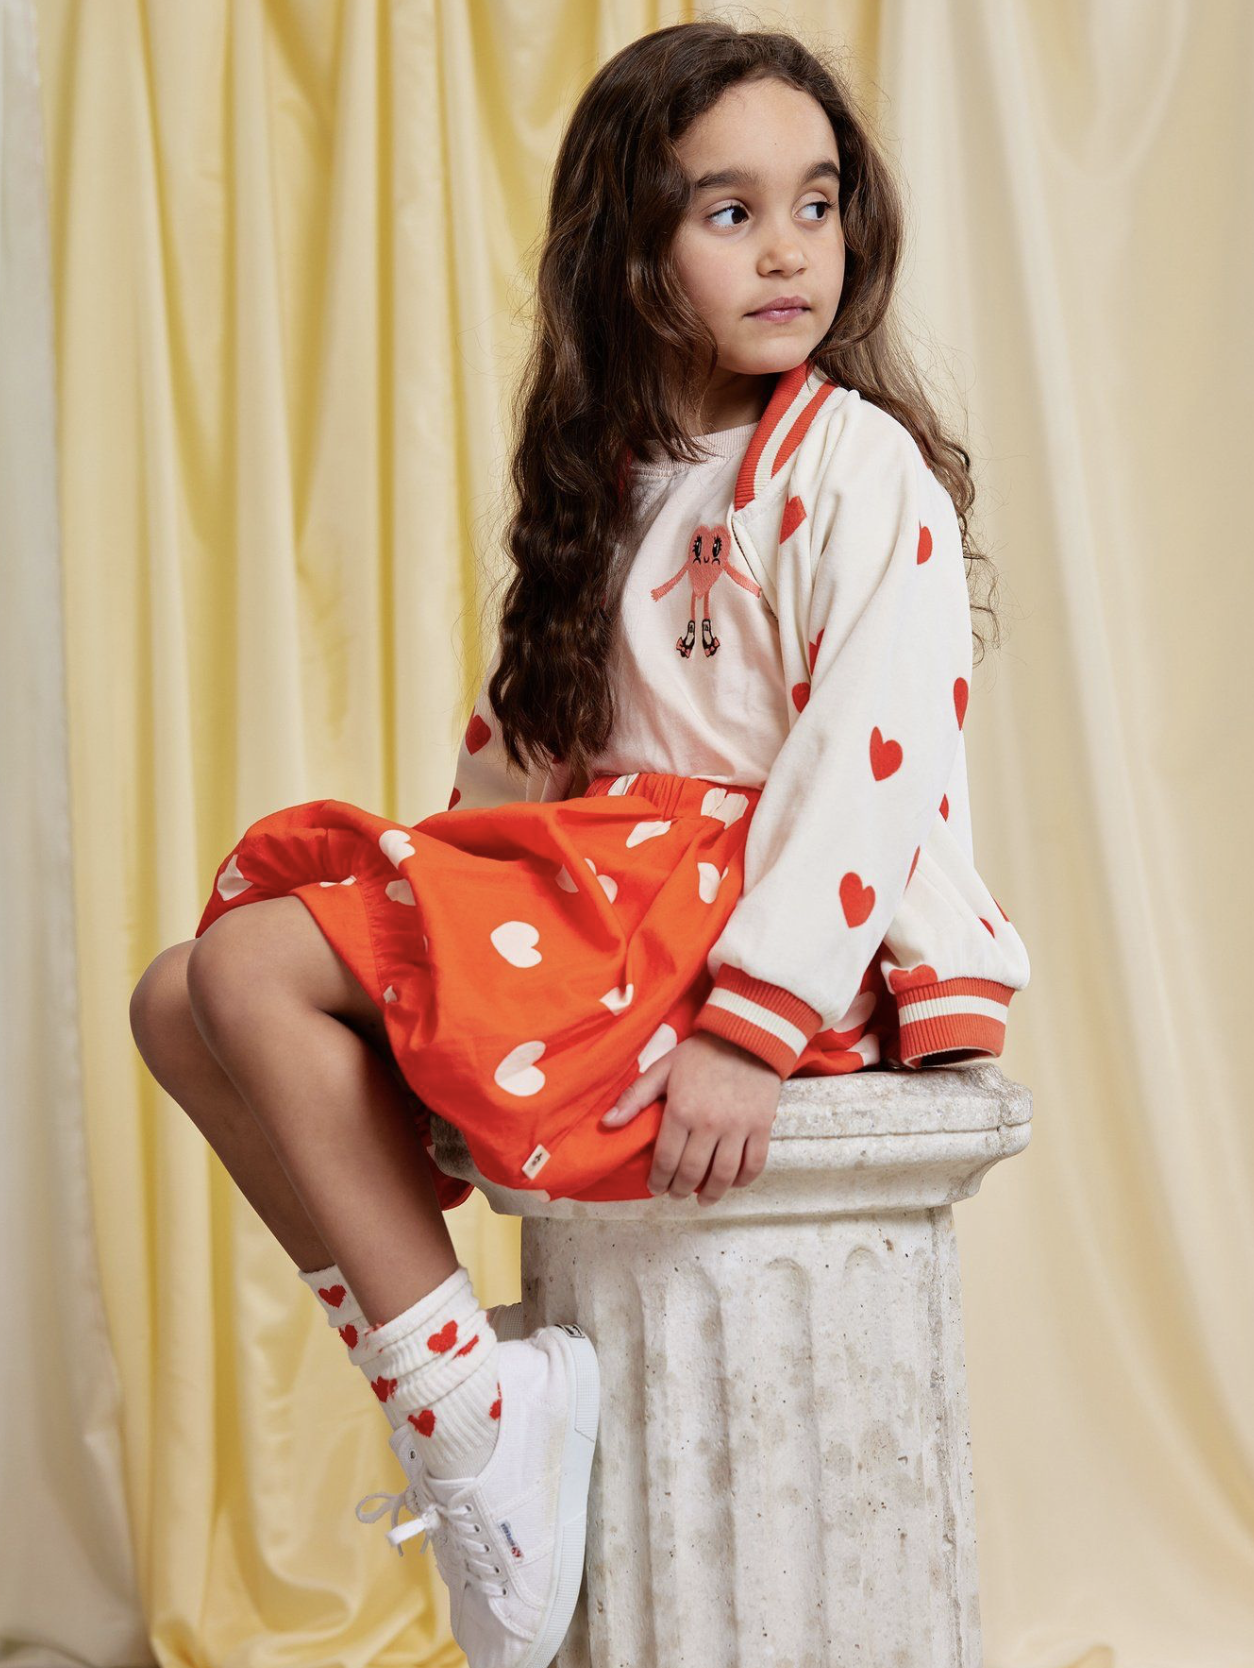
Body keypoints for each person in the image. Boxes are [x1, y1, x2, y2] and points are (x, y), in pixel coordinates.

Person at [129, 20, 1030, 1668]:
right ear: (630, 259)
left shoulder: (852, 463)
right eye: (728, 212)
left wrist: (754, 1027)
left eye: (816, 205)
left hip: (757, 926)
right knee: (181, 998)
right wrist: (419, 968)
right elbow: (520, 768)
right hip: (604, 899)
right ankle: (457, 1393)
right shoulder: (605, 479)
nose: (788, 251)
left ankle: (474, 1413)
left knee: (258, 964)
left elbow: (873, 765)